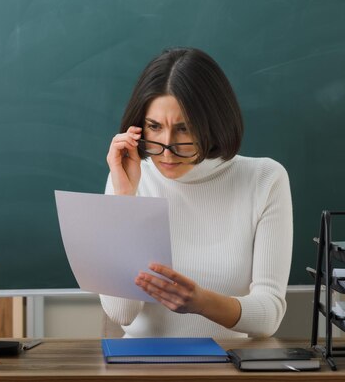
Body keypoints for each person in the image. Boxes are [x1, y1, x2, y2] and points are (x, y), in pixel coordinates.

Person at [100, 47, 293, 338]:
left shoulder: (265, 179)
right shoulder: (126, 178)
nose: (167, 148)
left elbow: (269, 316)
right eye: (154, 127)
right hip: (140, 369)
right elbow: (121, 314)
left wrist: (202, 303)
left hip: (228, 368)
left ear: (212, 125)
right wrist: (125, 198)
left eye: (184, 130)